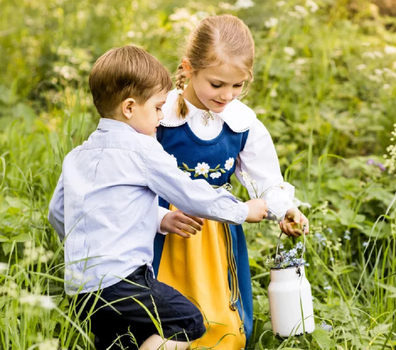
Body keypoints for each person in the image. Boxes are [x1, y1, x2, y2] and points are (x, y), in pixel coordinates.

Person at [47, 45, 269, 350]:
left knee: (118, 343)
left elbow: (58, 212)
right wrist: (242, 210)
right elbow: (190, 193)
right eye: (157, 108)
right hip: (124, 281)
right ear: (129, 108)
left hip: (80, 288)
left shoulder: (77, 156)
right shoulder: (143, 149)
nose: (161, 116)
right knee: (187, 321)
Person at [153, 14, 310, 349]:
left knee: (221, 322)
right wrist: (158, 217)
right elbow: (131, 175)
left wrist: (284, 209)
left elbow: (266, 177)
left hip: (215, 230)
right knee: (160, 315)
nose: (227, 95)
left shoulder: (241, 121)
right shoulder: (160, 114)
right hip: (164, 227)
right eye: (217, 84)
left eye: (238, 85)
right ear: (188, 69)